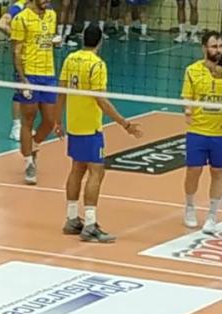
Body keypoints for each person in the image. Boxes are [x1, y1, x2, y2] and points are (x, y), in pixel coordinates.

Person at [54, 24, 143, 243]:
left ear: (83, 39)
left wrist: (57, 120)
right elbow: (101, 100)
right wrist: (124, 124)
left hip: (74, 124)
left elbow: (61, 91)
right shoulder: (97, 65)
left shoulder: (70, 59)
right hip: (90, 127)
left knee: (77, 168)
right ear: (100, 42)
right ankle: (90, 225)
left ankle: (72, 219)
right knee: (97, 172)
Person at [11, 0, 59, 185]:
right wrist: (22, 79)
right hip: (30, 75)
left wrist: (54, 42)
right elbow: (16, 51)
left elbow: (46, 41)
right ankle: (29, 163)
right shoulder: (21, 19)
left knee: (50, 121)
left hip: (49, 75)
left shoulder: (52, 15)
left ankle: (32, 145)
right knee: (28, 120)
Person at [180, 31, 222, 234]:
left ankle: (212, 215)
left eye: (220, 46)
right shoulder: (192, 70)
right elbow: (187, 97)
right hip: (197, 130)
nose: (218, 50)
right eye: (214, 46)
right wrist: (188, 110)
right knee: (193, 171)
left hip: (219, 133)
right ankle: (189, 206)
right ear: (204, 48)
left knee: (218, 172)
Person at [0, 0, 27, 141]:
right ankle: (15, 127)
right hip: (21, 57)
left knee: (31, 92)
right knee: (20, 90)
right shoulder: (18, 7)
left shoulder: (45, 7)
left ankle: (24, 125)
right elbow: (0, 24)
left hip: (37, 59)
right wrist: (17, 37)